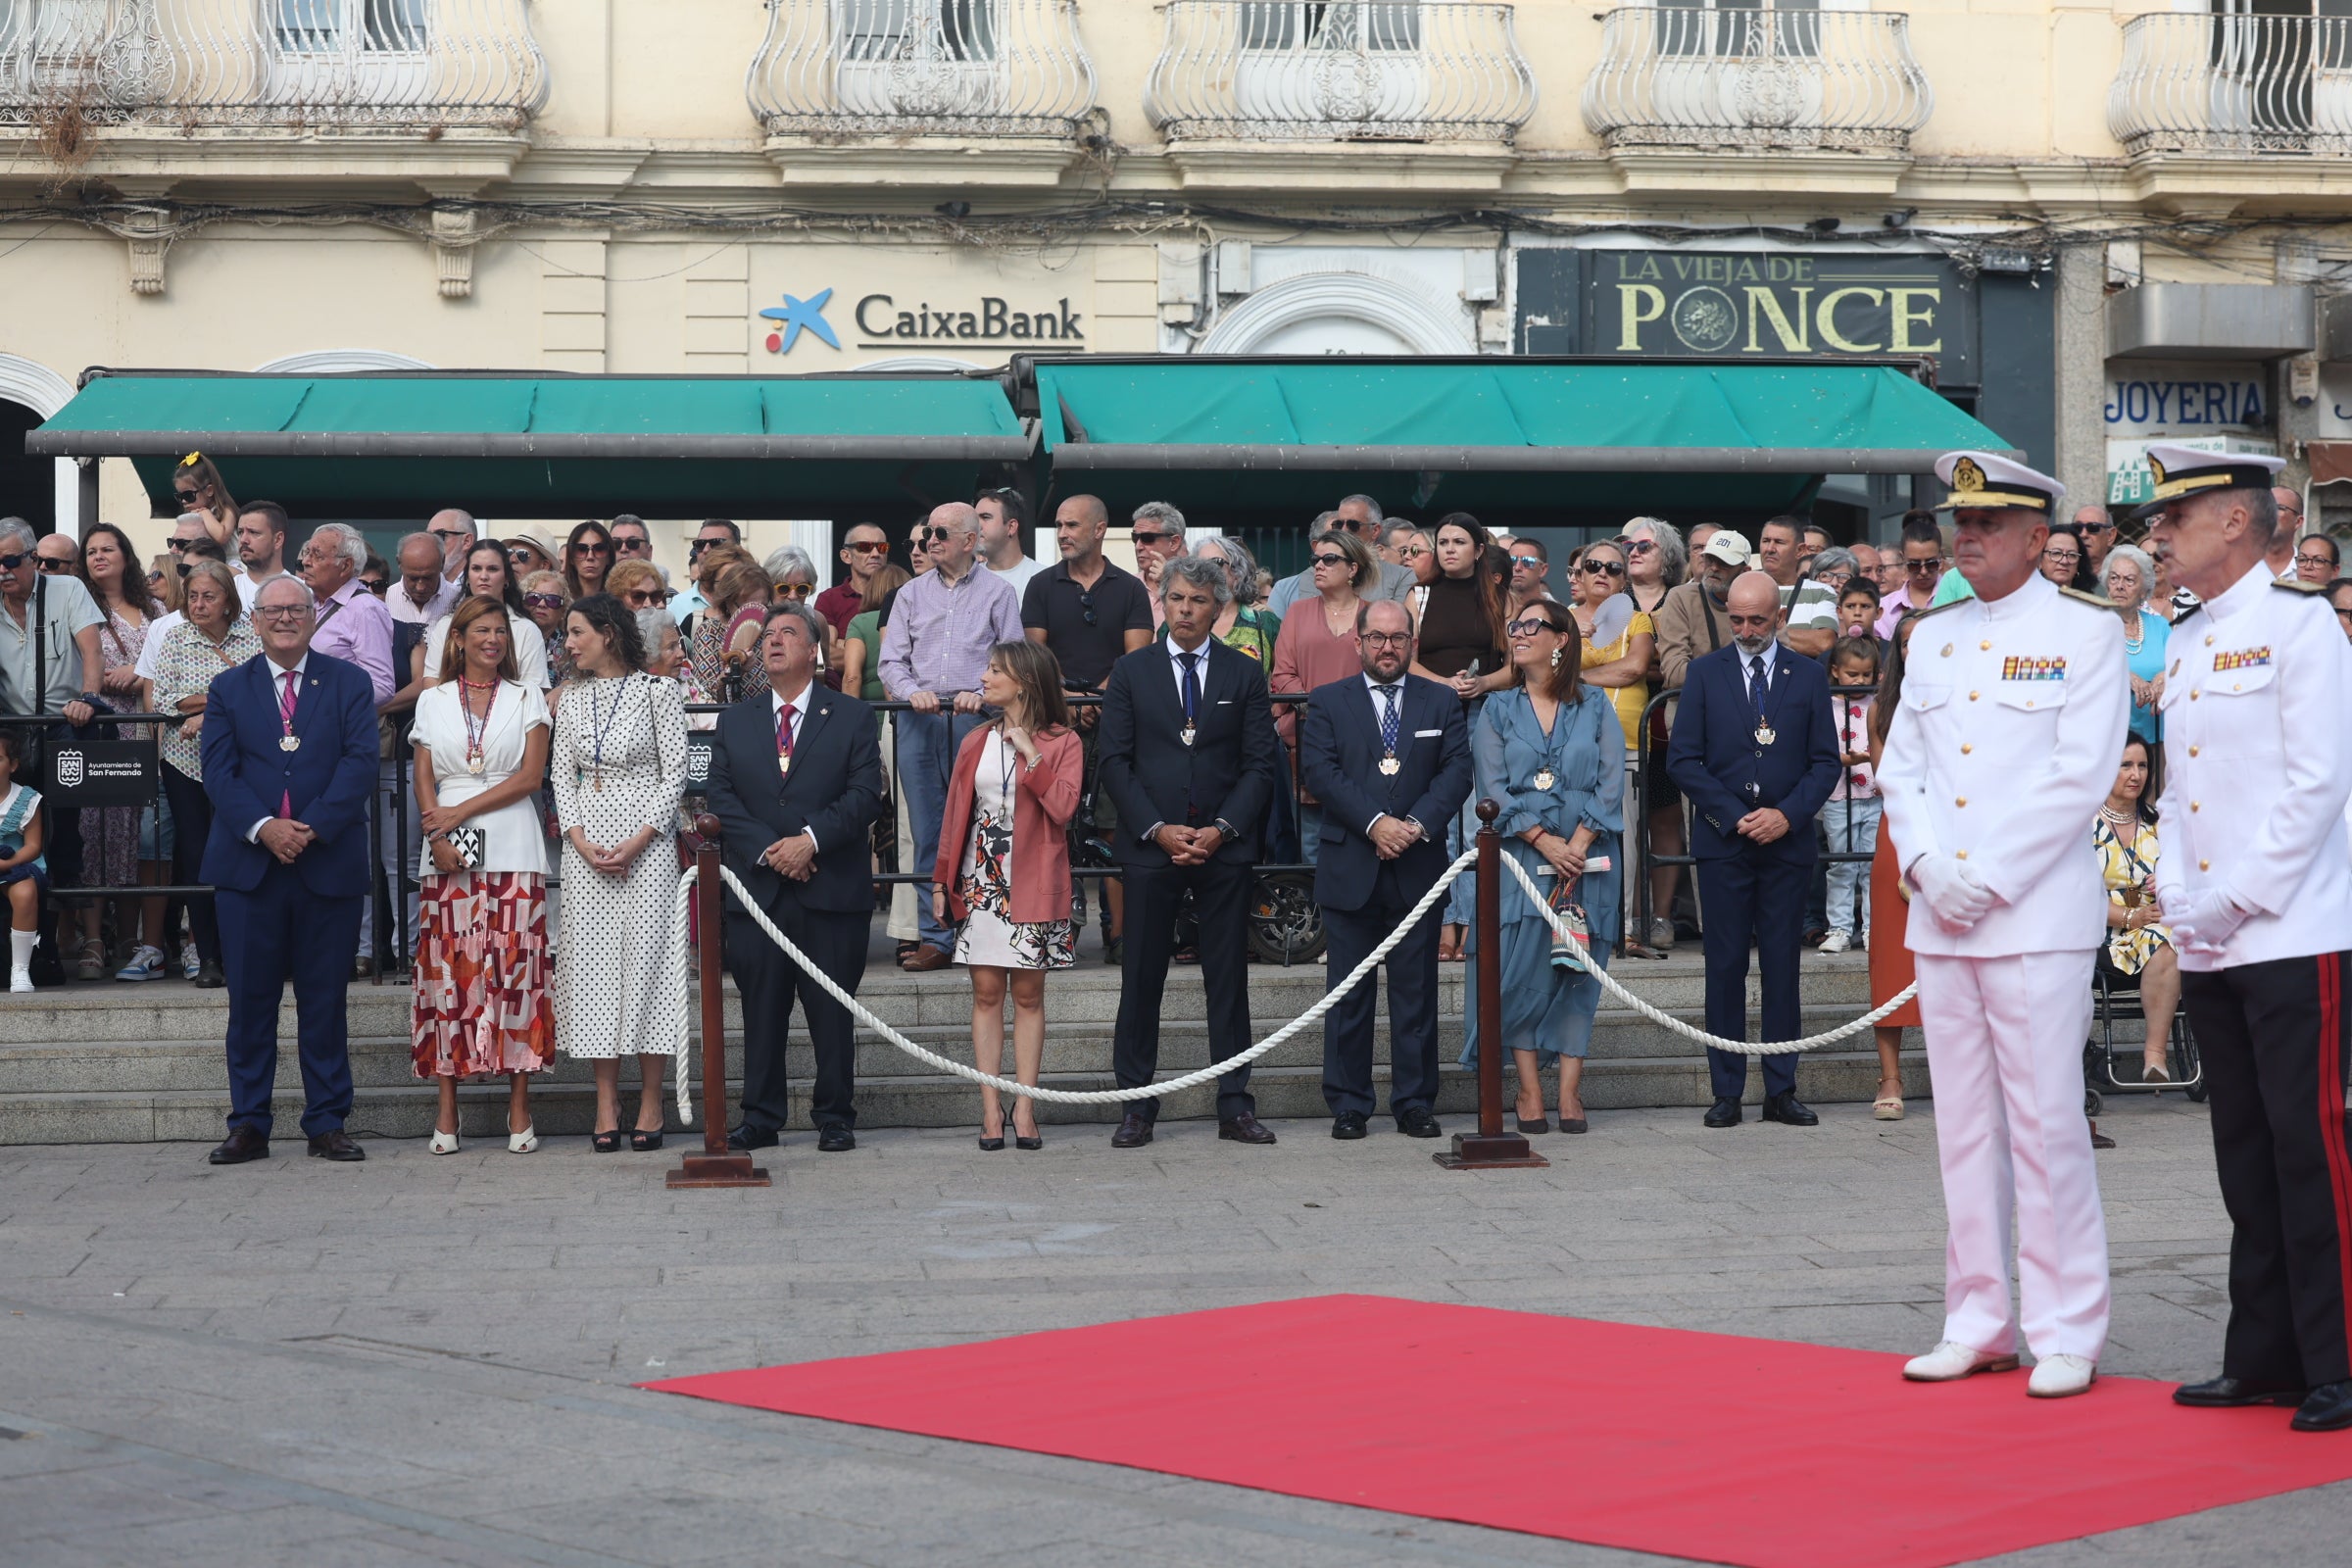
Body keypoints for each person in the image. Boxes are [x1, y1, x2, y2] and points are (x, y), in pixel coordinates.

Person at [1879, 450, 2130, 1399]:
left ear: (2037, 538)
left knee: (2046, 1123)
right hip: (1945, 915)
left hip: (2033, 914)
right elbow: (1903, 766)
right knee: (1965, 1130)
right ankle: (1978, 1316)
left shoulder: (2084, 632)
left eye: (1986, 525)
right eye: (1959, 523)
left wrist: (1985, 874)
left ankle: (2067, 1324)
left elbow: (2080, 772)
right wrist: (1931, 866)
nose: (1966, 536)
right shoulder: (1932, 637)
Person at [2140, 444, 2352, 1432]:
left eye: (2174, 520)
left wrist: (2234, 897)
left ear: (2235, 521)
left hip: (2293, 927)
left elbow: (2317, 783)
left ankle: (2339, 1357)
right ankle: (2262, 1352)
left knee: (2311, 1149)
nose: (2159, 538)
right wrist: (2184, 896)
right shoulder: (2184, 640)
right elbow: (2180, 793)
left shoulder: (2304, 626)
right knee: (2242, 1151)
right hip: (2215, 935)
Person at [1097, 554, 1280, 1149]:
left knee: (1227, 978)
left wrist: (1222, 829)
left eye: (1198, 601)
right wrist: (1157, 829)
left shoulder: (1243, 673)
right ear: (1164, 602)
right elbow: (1114, 764)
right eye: (1176, 599)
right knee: (1141, 976)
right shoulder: (1131, 671)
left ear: (1218, 606)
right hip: (1152, 850)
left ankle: (1235, 1104)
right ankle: (1135, 1105)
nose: (1185, 610)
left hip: (1224, 850)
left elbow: (1259, 766)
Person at [198, 576, 380, 1166]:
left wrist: (310, 828)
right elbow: (218, 774)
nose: (284, 618)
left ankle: (327, 1122)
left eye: (295, 609)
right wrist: (264, 828)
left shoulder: (349, 683)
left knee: (324, 1001)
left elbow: (360, 763)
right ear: (254, 619)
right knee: (250, 1003)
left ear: (313, 618)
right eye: (272, 610)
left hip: (326, 863)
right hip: (250, 867)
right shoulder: (227, 687)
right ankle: (248, 1123)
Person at [708, 604, 884, 1153]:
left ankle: (835, 1116)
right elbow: (721, 799)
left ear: (815, 651)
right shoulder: (736, 718)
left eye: (789, 633)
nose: (775, 641)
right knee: (761, 1010)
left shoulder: (852, 716)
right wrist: (769, 849)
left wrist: (809, 841)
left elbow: (864, 797)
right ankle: (760, 1117)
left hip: (829, 890)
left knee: (832, 1011)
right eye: (769, 636)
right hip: (759, 893)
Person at [1668, 568, 1838, 1128]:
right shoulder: (1704, 673)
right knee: (1725, 966)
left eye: (1757, 620)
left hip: (1786, 846)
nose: (1745, 629)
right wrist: (1737, 817)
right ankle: (1727, 1090)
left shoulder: (1808, 675)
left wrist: (1786, 816)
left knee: (1784, 967)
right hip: (1725, 843)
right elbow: (1684, 760)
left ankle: (1781, 1089)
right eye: (1736, 618)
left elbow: (1824, 763)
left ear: (1779, 618)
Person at [1298, 599, 1471, 1139]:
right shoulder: (1327, 701)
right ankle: (1349, 1104)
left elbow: (1458, 770)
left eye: (1397, 638)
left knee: (1416, 994)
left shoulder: (1440, 701)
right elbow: (1319, 771)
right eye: (1377, 638)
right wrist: (1375, 823)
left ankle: (1414, 1102)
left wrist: (1413, 825)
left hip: (1418, 866)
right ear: (1359, 642)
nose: (1387, 647)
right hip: (1353, 863)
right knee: (1349, 993)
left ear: (1412, 643)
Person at [1467, 598, 1630, 1130]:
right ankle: (1529, 1092)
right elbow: (1490, 790)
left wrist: (1577, 843)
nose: (1518, 632)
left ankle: (1569, 1092)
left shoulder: (1596, 704)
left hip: (1591, 857)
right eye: (1514, 625)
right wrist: (1543, 840)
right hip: (1521, 856)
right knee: (1523, 971)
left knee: (1579, 971)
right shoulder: (1497, 708)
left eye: (1531, 625)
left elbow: (1611, 781)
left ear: (1561, 639)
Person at [409, 596, 555, 1156]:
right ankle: (448, 1110)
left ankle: (521, 1105)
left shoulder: (526, 698)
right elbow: (424, 776)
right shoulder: (435, 699)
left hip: (513, 841)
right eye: (482, 630)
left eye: (501, 631)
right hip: (445, 847)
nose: (492, 639)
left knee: (517, 974)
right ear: (460, 639)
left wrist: (457, 815)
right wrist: (437, 836)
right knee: (449, 976)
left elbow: (531, 776)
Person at [551, 593, 690, 1152]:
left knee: (649, 967)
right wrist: (580, 841)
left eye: (577, 631)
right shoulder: (572, 698)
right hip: (586, 850)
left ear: (608, 633)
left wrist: (637, 841)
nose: (569, 642)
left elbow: (675, 773)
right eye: (567, 633)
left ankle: (652, 1100)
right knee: (593, 973)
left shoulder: (659, 691)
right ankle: (606, 1100)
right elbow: (562, 777)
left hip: (648, 846)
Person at [932, 640, 1081, 1151]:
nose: (985, 676)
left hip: (1034, 883)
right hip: (981, 885)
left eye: (996, 670)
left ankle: (1025, 1107)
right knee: (986, 995)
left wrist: (1031, 753)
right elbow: (956, 816)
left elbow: (1062, 809)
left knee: (1029, 997)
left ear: (1024, 681)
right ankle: (990, 1108)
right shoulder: (975, 740)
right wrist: (940, 879)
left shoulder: (1064, 742)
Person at [879, 502, 1023, 971]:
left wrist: (980, 691)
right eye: (925, 535)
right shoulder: (909, 595)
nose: (929, 541)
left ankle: (983, 933)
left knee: (984, 829)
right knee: (927, 831)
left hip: (976, 722)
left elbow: (1014, 661)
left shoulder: (999, 593)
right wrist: (911, 692)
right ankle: (936, 937)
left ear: (968, 540)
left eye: (939, 533)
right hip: (919, 721)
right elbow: (891, 663)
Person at [1025, 494, 1155, 961]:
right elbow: (1035, 657)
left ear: (1100, 530)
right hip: (1056, 725)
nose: (1062, 533)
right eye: (1058, 525)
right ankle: (1060, 934)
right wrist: (1068, 699)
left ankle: (1120, 936)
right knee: (1055, 830)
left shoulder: (1130, 588)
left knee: (1113, 827)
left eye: (1072, 525)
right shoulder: (1041, 584)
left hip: (1116, 721)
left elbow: (1137, 655)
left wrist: (1099, 695)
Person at [0, 517, 103, 973]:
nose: (3, 570)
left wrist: (89, 697)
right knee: (14, 827)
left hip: (64, 721)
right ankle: (31, 953)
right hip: (14, 728)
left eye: (9, 561)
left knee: (64, 821)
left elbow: (92, 648)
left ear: (33, 561)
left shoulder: (67, 590)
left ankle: (69, 896)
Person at [69, 522, 171, 981]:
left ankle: (130, 938)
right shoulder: (77, 606)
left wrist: (142, 671)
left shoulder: (156, 608)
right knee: (97, 834)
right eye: (91, 551)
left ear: (126, 556)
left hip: (145, 735)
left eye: (108, 548)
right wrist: (115, 676)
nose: (99, 557)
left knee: (139, 838)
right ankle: (92, 938)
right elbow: (74, 666)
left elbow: (168, 664)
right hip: (100, 732)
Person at [149, 560, 258, 990]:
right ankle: (208, 955)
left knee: (243, 851)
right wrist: (219, 705)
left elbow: (262, 692)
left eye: (208, 596)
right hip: (184, 763)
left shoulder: (253, 636)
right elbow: (168, 699)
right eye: (192, 596)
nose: (198, 604)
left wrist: (207, 710)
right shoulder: (174, 638)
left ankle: (243, 951)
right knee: (196, 857)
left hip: (243, 764)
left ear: (228, 600)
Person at [1411, 513, 1511, 960]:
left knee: (1476, 823)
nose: (1449, 548)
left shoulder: (1498, 596)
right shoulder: (1421, 594)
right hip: (1432, 711)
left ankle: (1472, 923)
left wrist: (1483, 683)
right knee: (1438, 824)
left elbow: (1518, 662)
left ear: (1477, 549)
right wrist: (1440, 682)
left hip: (1484, 714)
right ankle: (1444, 923)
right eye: (1443, 541)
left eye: (1459, 541)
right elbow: (1403, 658)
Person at [1272, 528, 1379, 859]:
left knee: (1365, 829)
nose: (1318, 565)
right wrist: (1317, 709)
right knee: (1311, 840)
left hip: (1364, 737)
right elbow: (1282, 674)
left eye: (1329, 559)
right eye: (1315, 559)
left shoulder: (1374, 614)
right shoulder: (1298, 612)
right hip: (1307, 736)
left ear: (1353, 568)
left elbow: (1384, 672)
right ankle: (1318, 912)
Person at [1864, 612, 1927, 1118]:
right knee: (1891, 952)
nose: (1914, 649)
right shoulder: (1881, 709)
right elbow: (1889, 778)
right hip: (1901, 828)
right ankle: (1890, 1077)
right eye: (1906, 642)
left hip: (1956, 830)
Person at [2093, 738, 2179, 1085]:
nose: (2135, 775)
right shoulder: (2083, 825)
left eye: (2142, 766)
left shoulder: (2160, 825)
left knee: (2167, 936)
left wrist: (2172, 883)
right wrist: (2129, 917)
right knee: (2164, 936)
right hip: (2099, 937)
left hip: (2157, 930)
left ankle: (2155, 1055)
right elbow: (2072, 896)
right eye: (2125, 765)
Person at [1818, 636, 1883, 956]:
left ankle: (1873, 927)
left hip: (1873, 795)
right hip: (1837, 796)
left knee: (1872, 866)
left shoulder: (1878, 704)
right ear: (1835, 671)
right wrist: (1847, 759)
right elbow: (1824, 751)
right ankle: (1840, 928)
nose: (1859, 681)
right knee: (1842, 865)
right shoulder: (1827, 704)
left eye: (1866, 675)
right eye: (1852, 674)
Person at [421, 540, 552, 692]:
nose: (483, 576)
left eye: (492, 569)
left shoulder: (527, 630)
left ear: (507, 578)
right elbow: (431, 683)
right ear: (467, 578)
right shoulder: (446, 625)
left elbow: (534, 692)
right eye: (476, 569)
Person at [1653, 529, 1746, 690]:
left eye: (1724, 563)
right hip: (1692, 705)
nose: (1714, 567)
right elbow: (1675, 673)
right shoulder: (1681, 597)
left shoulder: (1759, 600)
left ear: (1745, 571)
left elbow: (1779, 664)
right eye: (1710, 559)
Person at [2101, 542, 2169, 745]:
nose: (2120, 585)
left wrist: (2166, 675)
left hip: (2158, 737)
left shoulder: (2160, 625)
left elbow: (2182, 665)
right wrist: (2122, 675)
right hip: (2110, 740)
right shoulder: (2094, 626)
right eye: (2114, 578)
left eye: (2129, 580)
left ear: (2143, 589)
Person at [0, 730, 45, 992]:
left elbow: (33, 846)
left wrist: (6, 865)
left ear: (14, 765)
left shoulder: (25, 799)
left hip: (14, 864)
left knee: (26, 892)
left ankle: (20, 968)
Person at [1194, 536, 1282, 664]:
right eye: (1200, 564)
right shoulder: (1179, 623)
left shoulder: (1265, 623)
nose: (1207, 570)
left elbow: (1285, 675)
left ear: (1237, 572)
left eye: (1216, 562)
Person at [1756, 516, 1837, 657]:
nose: (1770, 549)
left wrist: (1760, 631)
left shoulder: (1820, 591)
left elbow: (1824, 643)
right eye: (1766, 541)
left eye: (1779, 542)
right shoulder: (1743, 586)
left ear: (1799, 550)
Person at [840, 564, 909, 703]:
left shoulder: (860, 622)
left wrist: (849, 719)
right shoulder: (912, 619)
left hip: (872, 713)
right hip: (908, 708)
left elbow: (851, 677)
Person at [1875, 514, 1947, 635]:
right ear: (1903, 558)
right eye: (1914, 564)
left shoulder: (1957, 597)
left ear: (1941, 556)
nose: (1923, 571)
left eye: (1931, 564)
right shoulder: (1885, 608)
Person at [816, 521, 891, 637]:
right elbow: (828, 650)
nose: (876, 554)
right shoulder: (829, 599)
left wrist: (845, 645)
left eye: (882, 547)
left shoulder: (899, 595)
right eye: (865, 547)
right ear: (846, 556)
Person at [671, 518, 743, 630]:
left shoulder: (754, 598)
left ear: (737, 550)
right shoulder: (675, 606)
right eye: (700, 544)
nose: (706, 550)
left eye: (717, 543)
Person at [975, 487, 1046, 601]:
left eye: (985, 517)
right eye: (974, 519)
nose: (976, 525)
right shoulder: (968, 579)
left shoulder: (1042, 578)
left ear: (1011, 527)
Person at [1128, 501, 1186, 625]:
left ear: (1174, 542)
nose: (1138, 546)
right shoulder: (1125, 586)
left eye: (1147, 538)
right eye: (1135, 538)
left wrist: (1169, 584)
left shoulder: (1197, 585)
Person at [520, 572, 575, 690]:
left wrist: (563, 688)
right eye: (533, 598)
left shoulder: (572, 645)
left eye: (552, 600)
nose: (541, 604)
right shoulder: (510, 637)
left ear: (563, 610)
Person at [172, 452, 239, 549]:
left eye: (188, 495)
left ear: (209, 490)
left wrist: (205, 513)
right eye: (180, 496)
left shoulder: (226, 511)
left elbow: (221, 537)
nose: (183, 501)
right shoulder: (195, 514)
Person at [233, 501, 295, 595]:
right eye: (240, 532)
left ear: (278, 539)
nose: (243, 540)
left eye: (253, 532)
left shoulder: (301, 592)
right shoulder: (227, 591)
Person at [562, 519, 613, 604]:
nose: (590, 557)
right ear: (571, 558)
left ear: (609, 557)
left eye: (599, 549)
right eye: (581, 549)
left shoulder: (621, 600)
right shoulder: (558, 599)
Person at [2072, 503, 2118, 578]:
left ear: (2110, 536)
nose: (2083, 534)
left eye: (2093, 528)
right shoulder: (2063, 576)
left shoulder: (2120, 579)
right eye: (2077, 528)